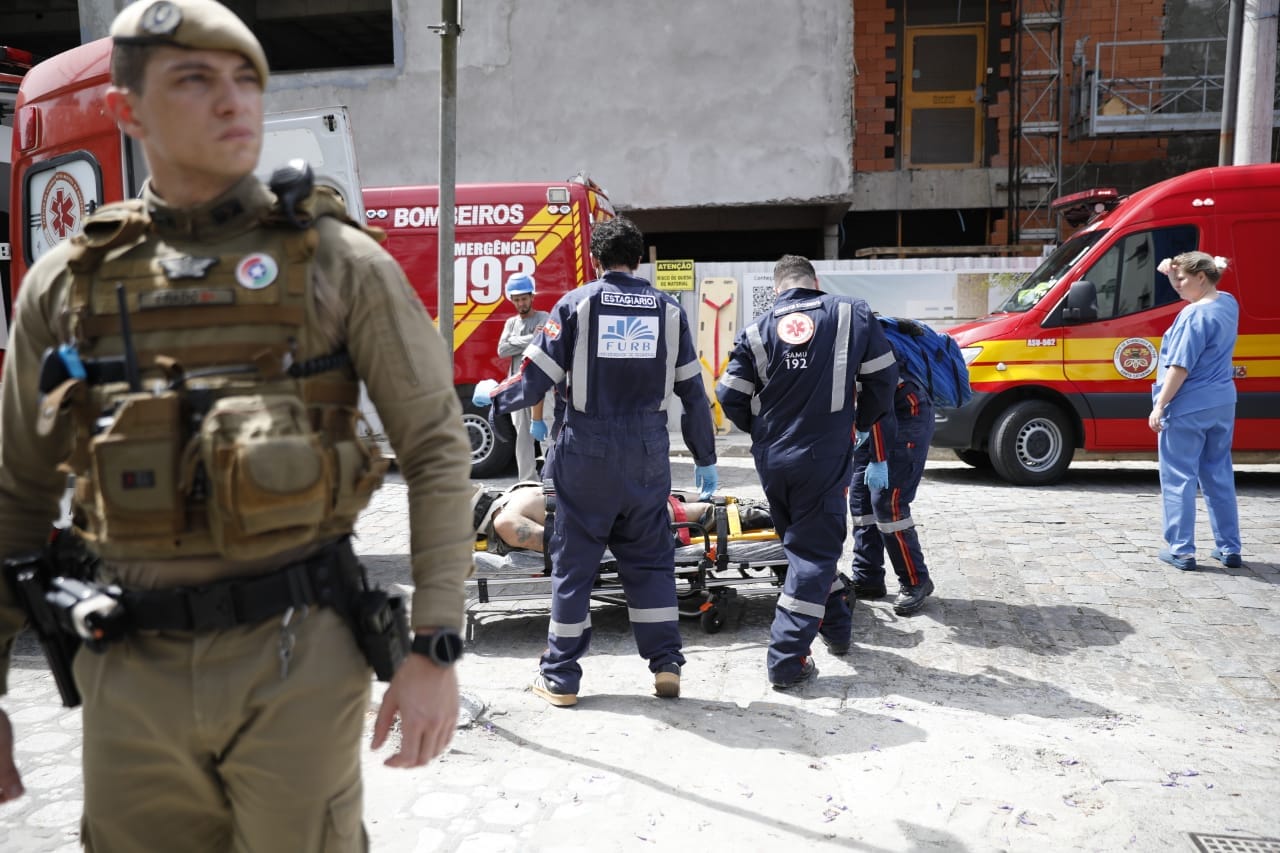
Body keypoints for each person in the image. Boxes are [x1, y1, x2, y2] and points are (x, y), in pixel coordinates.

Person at [0, 1, 475, 848]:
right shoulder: (65, 285)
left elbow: (437, 450)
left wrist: (434, 645)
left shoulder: (339, 261)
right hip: (126, 669)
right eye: (195, 80)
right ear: (126, 110)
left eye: (246, 80)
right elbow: (18, 493)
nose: (232, 101)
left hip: (297, 657)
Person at [473, 216, 718, 707]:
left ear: (595, 259)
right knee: (651, 560)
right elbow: (693, 393)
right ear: (640, 259)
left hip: (586, 454)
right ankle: (666, 663)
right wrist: (704, 456)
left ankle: (561, 678)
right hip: (647, 455)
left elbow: (535, 379)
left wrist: (494, 397)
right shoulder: (670, 311)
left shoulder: (576, 305)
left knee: (575, 562)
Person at [716, 255, 897, 691]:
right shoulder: (851, 313)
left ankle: (837, 629)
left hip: (774, 459)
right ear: (815, 281)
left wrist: (763, 432)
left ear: (776, 289)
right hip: (823, 455)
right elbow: (884, 378)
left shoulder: (756, 330)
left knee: (804, 547)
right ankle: (787, 659)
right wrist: (861, 423)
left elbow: (729, 394)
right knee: (814, 556)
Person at [1149, 251, 1242, 571]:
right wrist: (1173, 273)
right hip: (1222, 403)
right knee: (1218, 474)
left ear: (1201, 277)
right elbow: (1196, 289)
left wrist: (1160, 405)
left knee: (1178, 477)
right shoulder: (1228, 303)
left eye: (1182, 279)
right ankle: (1229, 547)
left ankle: (1182, 550)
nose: (1177, 285)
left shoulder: (1193, 316)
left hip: (1188, 405)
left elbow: (1179, 367)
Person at [843, 321, 937, 617]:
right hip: (872, 421)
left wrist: (879, 458)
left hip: (906, 417)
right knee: (860, 501)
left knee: (888, 504)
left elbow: (880, 404)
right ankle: (868, 577)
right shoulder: (834, 344)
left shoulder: (865, 347)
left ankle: (916, 580)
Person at [475, 482, 771, 554]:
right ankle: (755, 509)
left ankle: (768, 517)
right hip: (617, 495)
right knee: (688, 502)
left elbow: (563, 548)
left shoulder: (505, 522)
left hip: (619, 517)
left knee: (702, 516)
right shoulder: (514, 492)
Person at [497, 273, 551, 481]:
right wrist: (531, 337)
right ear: (512, 300)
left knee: (547, 434)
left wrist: (515, 341)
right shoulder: (511, 323)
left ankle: (552, 479)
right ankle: (527, 481)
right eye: (517, 299)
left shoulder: (544, 317)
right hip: (518, 388)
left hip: (541, 388)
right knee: (522, 437)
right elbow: (502, 349)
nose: (521, 303)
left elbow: (545, 341)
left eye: (524, 298)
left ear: (532, 297)